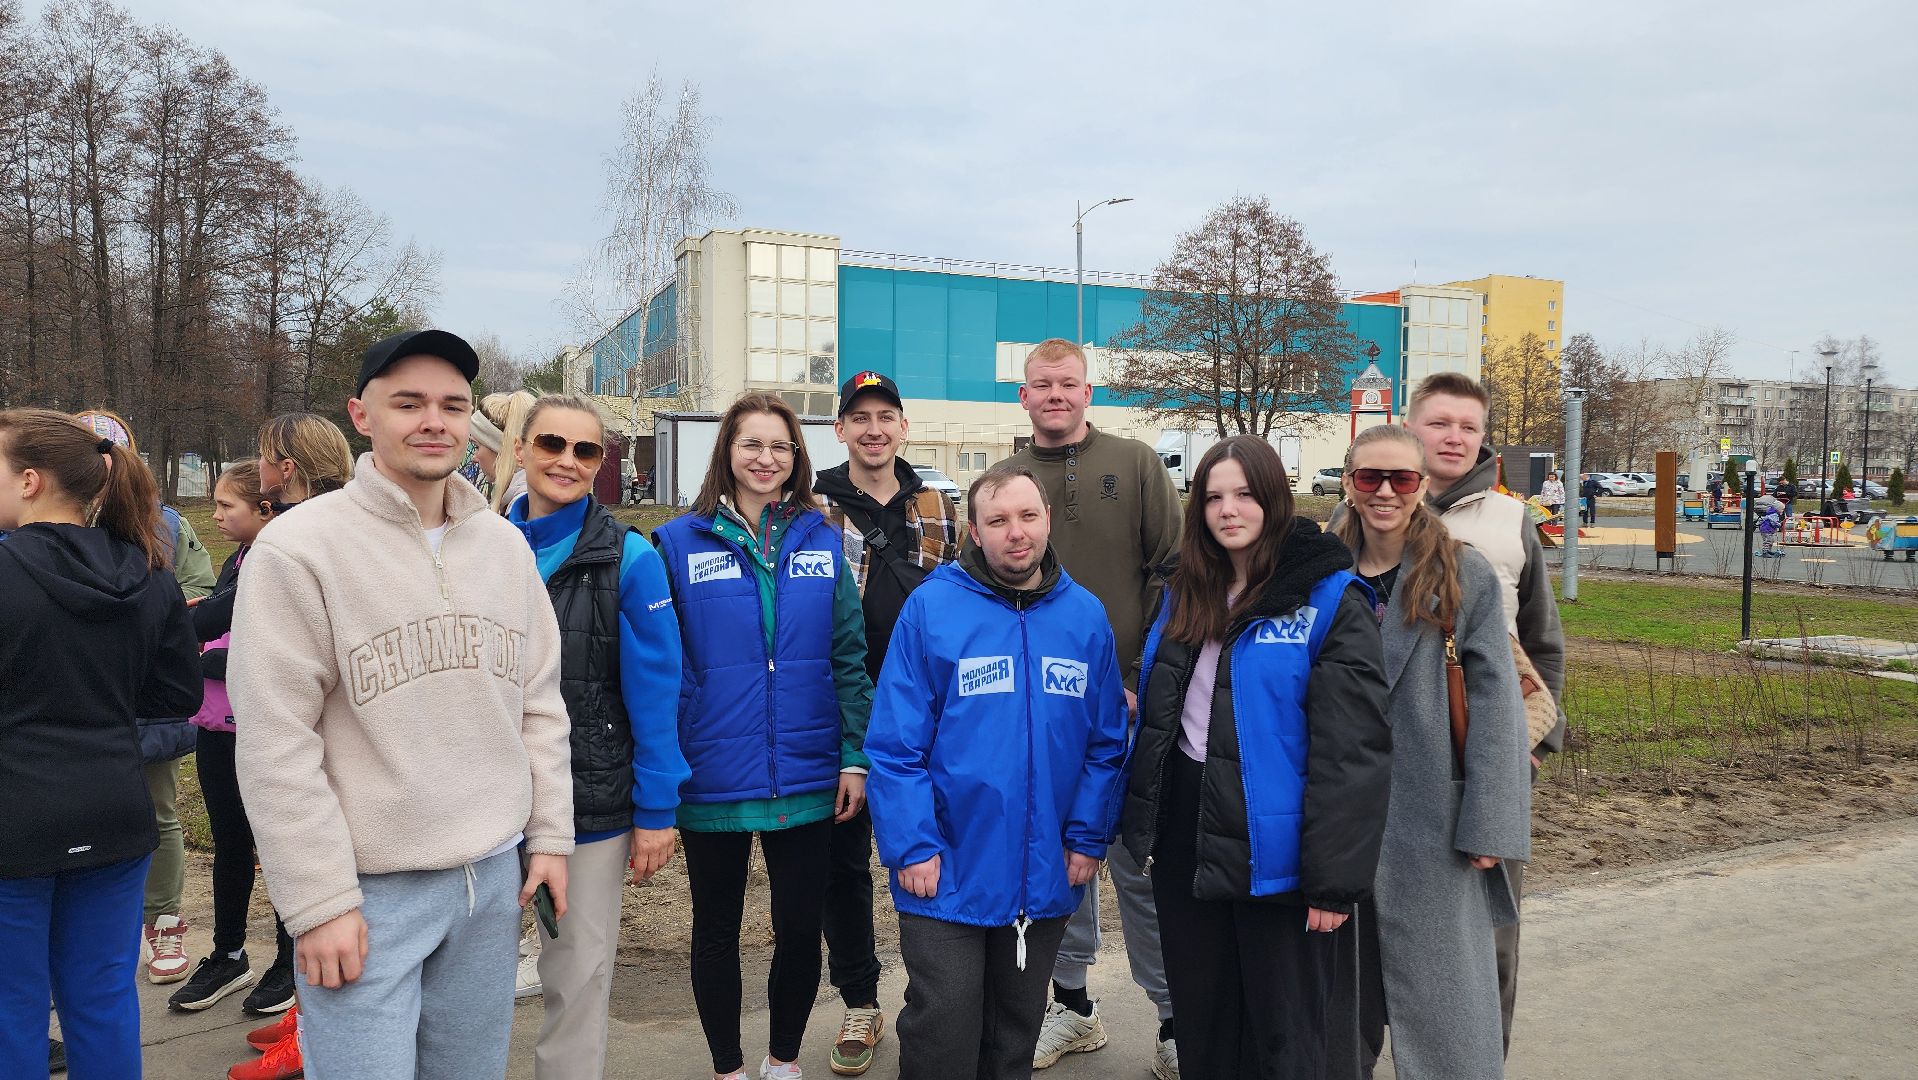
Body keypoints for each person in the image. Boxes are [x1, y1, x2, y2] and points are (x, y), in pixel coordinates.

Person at [228, 330, 574, 1079]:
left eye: (452, 405)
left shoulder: (504, 547)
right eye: (409, 403)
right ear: (362, 414)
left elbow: (539, 706)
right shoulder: (300, 549)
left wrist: (550, 836)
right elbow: (276, 743)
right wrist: (319, 901)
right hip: (369, 893)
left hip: (490, 882)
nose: (434, 421)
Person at [1121, 436, 1392, 1078]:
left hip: (1280, 854)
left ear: (1273, 499)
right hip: (1186, 838)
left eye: (1244, 494)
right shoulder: (1184, 591)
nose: (1228, 510)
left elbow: (1352, 753)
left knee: (1285, 1037)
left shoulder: (1329, 599)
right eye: (1213, 497)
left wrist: (1332, 881)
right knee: (1204, 1025)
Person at [866, 461, 1128, 1080]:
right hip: (945, 868)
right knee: (943, 1027)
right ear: (974, 532)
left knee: (1015, 1034)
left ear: (1047, 521)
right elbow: (896, 745)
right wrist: (912, 845)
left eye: (1028, 516)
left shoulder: (1085, 616)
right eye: (999, 520)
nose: (1016, 532)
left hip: (1046, 870)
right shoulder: (931, 609)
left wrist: (1087, 837)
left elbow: (1106, 743)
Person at [652, 392, 873, 1080]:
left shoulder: (824, 539)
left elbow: (848, 655)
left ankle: (783, 1062)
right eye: (752, 443)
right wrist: (667, 761)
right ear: (727, 450)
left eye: (780, 446)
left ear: (797, 457)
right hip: (711, 769)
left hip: (806, 772)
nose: (766, 458)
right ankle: (728, 1068)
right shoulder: (675, 543)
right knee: (716, 929)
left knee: (801, 928)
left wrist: (854, 756)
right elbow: (662, 665)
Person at [0, 408, 202, 1079]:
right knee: (102, 996)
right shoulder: (149, 571)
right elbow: (176, 696)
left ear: (30, 481)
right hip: (114, 809)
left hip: (14, 818)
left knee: (11, 1005)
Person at [999, 338, 1182, 1076]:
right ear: (1023, 396)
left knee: (1138, 865)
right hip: (1043, 716)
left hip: (1132, 705)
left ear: (1087, 392)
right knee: (1061, 861)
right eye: (1041, 384)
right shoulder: (1006, 479)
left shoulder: (1135, 464)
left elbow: (1172, 575)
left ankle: (1174, 1020)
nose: (1055, 395)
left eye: (1067, 383)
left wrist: (1138, 677)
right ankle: (1072, 1006)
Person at [1330, 423, 1532, 1078]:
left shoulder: (1462, 571)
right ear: (1349, 483)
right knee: (1338, 1007)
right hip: (1336, 817)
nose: (1385, 491)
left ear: (1421, 486)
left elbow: (1497, 705)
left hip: (1432, 822)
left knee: (1448, 1015)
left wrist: (1490, 822)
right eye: (1370, 477)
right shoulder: (1322, 571)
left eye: (1402, 478)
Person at [503, 394, 689, 1080]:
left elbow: (658, 692)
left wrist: (657, 809)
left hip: (591, 801)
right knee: (470, 981)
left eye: (584, 450)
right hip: (484, 803)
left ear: (600, 462)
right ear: (521, 449)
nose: (567, 460)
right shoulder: (480, 547)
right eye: (551, 443)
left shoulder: (630, 559)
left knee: (576, 978)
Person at [1400, 372, 1564, 1053]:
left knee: (1489, 927)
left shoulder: (1510, 521)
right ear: (1410, 425)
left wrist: (1531, 749)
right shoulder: (1367, 507)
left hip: (1486, 754)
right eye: (1440, 422)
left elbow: (1544, 643)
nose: (1455, 437)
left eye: (1469, 426)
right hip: (1394, 754)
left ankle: (1481, 1058)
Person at [812, 370, 959, 1075]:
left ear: (903, 427)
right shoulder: (810, 507)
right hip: (841, 710)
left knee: (932, 854)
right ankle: (861, 1001)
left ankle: (944, 995)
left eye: (886, 416)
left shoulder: (938, 504)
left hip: (929, 717)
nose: (874, 429)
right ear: (840, 429)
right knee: (844, 864)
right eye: (860, 417)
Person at [72, 408, 216, 989]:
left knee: (158, 809)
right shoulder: (42, 523)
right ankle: (85, 933)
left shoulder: (167, 525)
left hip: (146, 694)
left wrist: (155, 613)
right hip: (75, 694)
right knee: (75, 811)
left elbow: (201, 587)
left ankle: (164, 920)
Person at [230, 411, 355, 1079]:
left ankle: (314, 1032)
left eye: (262, 455)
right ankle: (305, 1011)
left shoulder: (301, 538)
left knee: (318, 887)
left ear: (285, 467)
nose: (257, 468)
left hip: (330, 744)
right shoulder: (320, 526)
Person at [167, 465, 300, 1018]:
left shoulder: (280, 562)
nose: (216, 516)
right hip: (216, 727)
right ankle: (228, 954)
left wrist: (198, 654)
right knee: (229, 843)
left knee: (281, 849)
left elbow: (244, 640)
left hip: (264, 730)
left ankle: (290, 960)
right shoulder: (236, 560)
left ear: (265, 510)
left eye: (227, 506)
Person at [478, 390, 536, 515]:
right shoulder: (523, 497)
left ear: (500, 449)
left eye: (477, 447)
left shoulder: (521, 508)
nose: (474, 458)